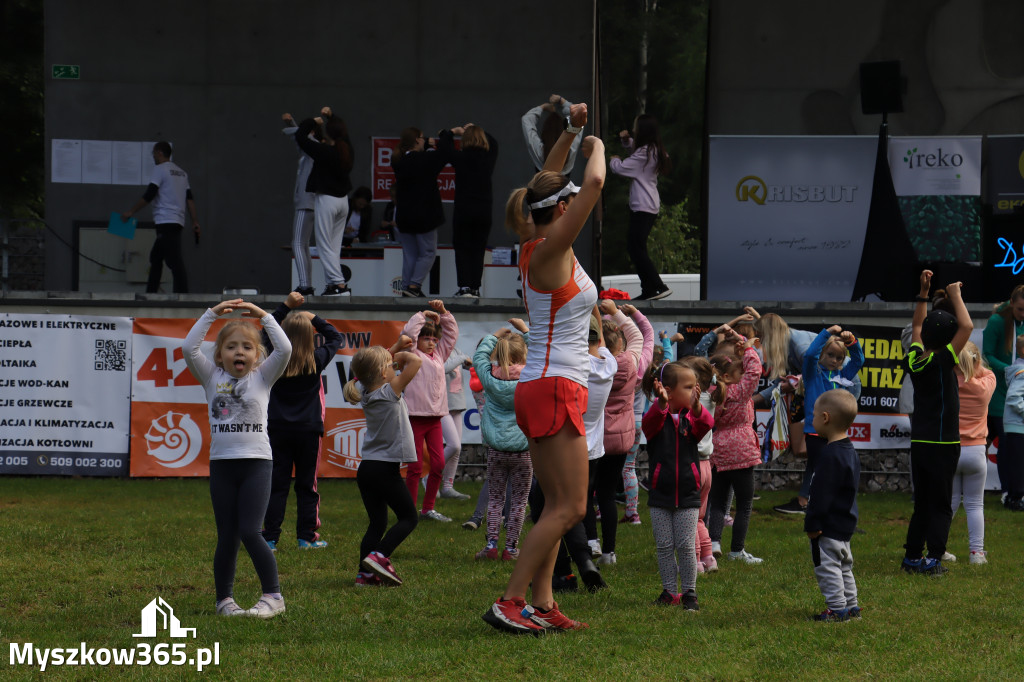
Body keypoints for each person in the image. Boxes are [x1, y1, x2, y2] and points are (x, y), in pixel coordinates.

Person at [482, 101, 601, 635]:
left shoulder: (542, 241)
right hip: (554, 385)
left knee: (556, 503)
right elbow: (593, 182)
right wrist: (596, 144)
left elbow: (548, 181)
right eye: (569, 199)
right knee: (571, 506)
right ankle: (510, 602)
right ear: (562, 209)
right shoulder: (552, 248)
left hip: (546, 383)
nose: (576, 197)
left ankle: (543, 602)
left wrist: (572, 130)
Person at [182, 298, 291, 618]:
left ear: (257, 356)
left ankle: (273, 597)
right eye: (231, 347)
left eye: (246, 347)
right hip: (222, 466)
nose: (239, 352)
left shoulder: (263, 377)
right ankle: (224, 601)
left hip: (257, 464)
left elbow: (284, 350)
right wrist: (212, 314)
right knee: (227, 535)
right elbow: (189, 348)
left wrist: (265, 317)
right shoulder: (211, 376)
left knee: (249, 531)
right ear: (219, 355)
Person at [901, 270, 973, 575]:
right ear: (948, 341)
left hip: (920, 442)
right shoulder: (944, 359)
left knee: (923, 503)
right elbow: (967, 325)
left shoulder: (916, 358)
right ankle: (933, 560)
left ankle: (912, 558)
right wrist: (955, 293)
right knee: (942, 504)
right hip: (944, 444)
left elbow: (917, 323)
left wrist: (923, 292)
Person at [260, 292, 342, 551]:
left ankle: (270, 538)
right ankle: (306, 537)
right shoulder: (316, 360)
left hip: (277, 428)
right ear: (310, 337)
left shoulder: (274, 359)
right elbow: (336, 337)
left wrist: (285, 307)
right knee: (308, 485)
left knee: (276, 485)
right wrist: (313, 317)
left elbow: (263, 332)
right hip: (308, 430)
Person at [343, 341, 422, 586]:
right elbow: (416, 362)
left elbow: (373, 366)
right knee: (409, 518)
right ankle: (379, 556)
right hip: (385, 469)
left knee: (377, 523)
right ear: (382, 373)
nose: (396, 367)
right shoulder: (389, 392)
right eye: (391, 366)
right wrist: (402, 354)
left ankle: (364, 574)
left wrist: (393, 351)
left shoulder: (366, 392)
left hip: (367, 469)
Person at [642, 361, 714, 610]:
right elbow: (648, 424)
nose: (696, 391)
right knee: (664, 546)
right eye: (690, 387)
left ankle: (690, 593)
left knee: (685, 545)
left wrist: (697, 407)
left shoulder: (690, 420)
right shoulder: (656, 419)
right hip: (660, 495)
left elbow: (706, 425)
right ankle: (669, 592)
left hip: (687, 495)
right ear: (668, 390)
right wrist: (660, 405)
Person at [472, 328, 532, 560]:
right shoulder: (531, 377)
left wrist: (493, 337)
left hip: (496, 450)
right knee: (518, 502)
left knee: (496, 498)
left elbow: (479, 357)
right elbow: (542, 352)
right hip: (523, 451)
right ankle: (511, 548)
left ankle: (491, 545)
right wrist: (526, 332)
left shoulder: (489, 377)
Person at [804, 389, 862, 622]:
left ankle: (837, 610)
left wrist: (813, 523)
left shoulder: (829, 455)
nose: (813, 419)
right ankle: (852, 606)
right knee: (845, 567)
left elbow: (821, 493)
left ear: (825, 418)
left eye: (815, 415)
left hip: (827, 526)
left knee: (828, 568)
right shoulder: (849, 451)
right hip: (844, 522)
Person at [707, 336, 765, 564]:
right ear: (729, 376)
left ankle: (713, 543)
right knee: (744, 505)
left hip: (718, 450)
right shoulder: (740, 392)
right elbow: (755, 371)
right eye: (739, 373)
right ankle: (737, 551)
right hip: (742, 453)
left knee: (719, 502)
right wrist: (748, 348)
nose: (744, 376)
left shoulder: (716, 392)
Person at [401, 300, 459, 521]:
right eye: (427, 338)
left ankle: (428, 509)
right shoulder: (413, 354)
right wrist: (422, 315)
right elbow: (409, 333)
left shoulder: (440, 356)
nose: (432, 343)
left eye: (435, 339)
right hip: (415, 417)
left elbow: (451, 336)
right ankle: (408, 512)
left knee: (438, 464)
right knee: (415, 467)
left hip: (435, 417)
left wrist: (444, 313)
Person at [799, 325, 865, 520]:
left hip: (836, 434)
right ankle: (818, 514)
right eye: (830, 355)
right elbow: (810, 355)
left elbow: (859, 360)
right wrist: (827, 333)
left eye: (839, 358)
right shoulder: (813, 375)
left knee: (838, 474)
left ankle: (837, 513)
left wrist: (852, 342)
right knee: (820, 476)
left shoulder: (842, 376)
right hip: (815, 433)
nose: (835, 360)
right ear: (822, 354)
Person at [121, 141, 199, 293]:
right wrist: (195, 221)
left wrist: (131, 212)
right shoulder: (182, 173)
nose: (153, 157)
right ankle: (151, 292)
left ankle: (182, 294)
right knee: (156, 256)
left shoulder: (160, 169)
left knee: (173, 259)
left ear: (159, 152)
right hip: (178, 221)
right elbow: (189, 199)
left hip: (165, 219)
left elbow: (150, 194)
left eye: (154, 154)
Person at [610, 115, 672, 300]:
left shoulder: (645, 154)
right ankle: (649, 290)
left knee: (635, 248)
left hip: (642, 205)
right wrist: (627, 142)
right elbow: (637, 155)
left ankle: (659, 286)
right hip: (650, 204)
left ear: (643, 130)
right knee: (638, 247)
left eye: (636, 127)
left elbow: (620, 168)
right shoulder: (654, 150)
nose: (634, 130)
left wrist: (614, 159)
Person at [295, 107, 354, 296]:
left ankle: (338, 284)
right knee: (334, 247)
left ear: (329, 133)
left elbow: (300, 136)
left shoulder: (324, 151)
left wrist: (315, 121)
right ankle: (332, 284)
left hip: (327, 200)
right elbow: (342, 131)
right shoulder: (347, 148)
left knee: (324, 245)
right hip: (343, 201)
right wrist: (332, 117)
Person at [946, 342, 995, 563]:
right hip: (976, 451)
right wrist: (973, 364)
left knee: (951, 502)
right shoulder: (986, 382)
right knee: (975, 504)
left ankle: (938, 548)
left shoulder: (947, 382)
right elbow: (986, 371)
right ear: (976, 361)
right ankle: (976, 552)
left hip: (952, 449)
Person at [391, 127, 454, 297]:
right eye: (422, 137)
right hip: (424, 215)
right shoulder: (426, 159)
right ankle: (414, 286)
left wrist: (426, 145)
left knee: (410, 254)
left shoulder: (398, 161)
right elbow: (445, 153)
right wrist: (446, 134)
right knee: (427, 253)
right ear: (417, 140)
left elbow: (421, 158)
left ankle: (406, 286)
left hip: (404, 215)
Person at [675, 355, 718, 574]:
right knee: (699, 517)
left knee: (688, 519)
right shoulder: (712, 399)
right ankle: (709, 558)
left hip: (692, 467)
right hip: (707, 467)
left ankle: (695, 562)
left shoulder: (691, 406)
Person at [982, 284, 1024, 495]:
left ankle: (1017, 490)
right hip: (999, 392)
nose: (1023, 314)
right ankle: (1009, 490)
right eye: (1020, 309)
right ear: (1012, 304)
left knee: (1017, 445)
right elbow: (987, 355)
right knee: (1007, 443)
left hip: (1020, 389)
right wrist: (1009, 370)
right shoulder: (997, 322)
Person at [449, 123, 499, 298]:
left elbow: (445, 147)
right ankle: (475, 288)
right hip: (484, 210)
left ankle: (464, 287)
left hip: (463, 209)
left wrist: (452, 132)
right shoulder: (488, 158)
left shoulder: (460, 157)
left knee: (462, 248)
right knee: (478, 249)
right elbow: (494, 143)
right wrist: (479, 129)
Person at [281, 113, 319, 295]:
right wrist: (291, 123)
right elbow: (300, 140)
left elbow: (300, 137)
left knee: (298, 243)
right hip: (309, 201)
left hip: (306, 202)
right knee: (303, 244)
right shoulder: (314, 148)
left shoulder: (313, 147)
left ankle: (305, 285)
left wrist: (293, 125)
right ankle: (306, 283)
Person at [521, 94, 583, 174]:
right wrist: (561, 100)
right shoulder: (570, 148)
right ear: (563, 130)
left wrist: (543, 107)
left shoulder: (540, 152)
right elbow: (577, 118)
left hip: (541, 185)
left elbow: (526, 119)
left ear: (544, 133)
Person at [440, 346, 472, 500]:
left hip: (456, 404)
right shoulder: (439, 350)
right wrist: (462, 358)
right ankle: (429, 476)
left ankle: (448, 487)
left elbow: (467, 365)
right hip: (442, 405)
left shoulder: (456, 350)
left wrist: (470, 363)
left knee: (456, 448)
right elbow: (444, 368)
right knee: (453, 445)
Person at [1000, 335, 1024, 512]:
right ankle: (1016, 498)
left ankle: (1014, 496)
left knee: (1016, 463)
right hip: (1018, 426)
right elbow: (1013, 397)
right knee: (1017, 464)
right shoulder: (1022, 373)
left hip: (1015, 425)